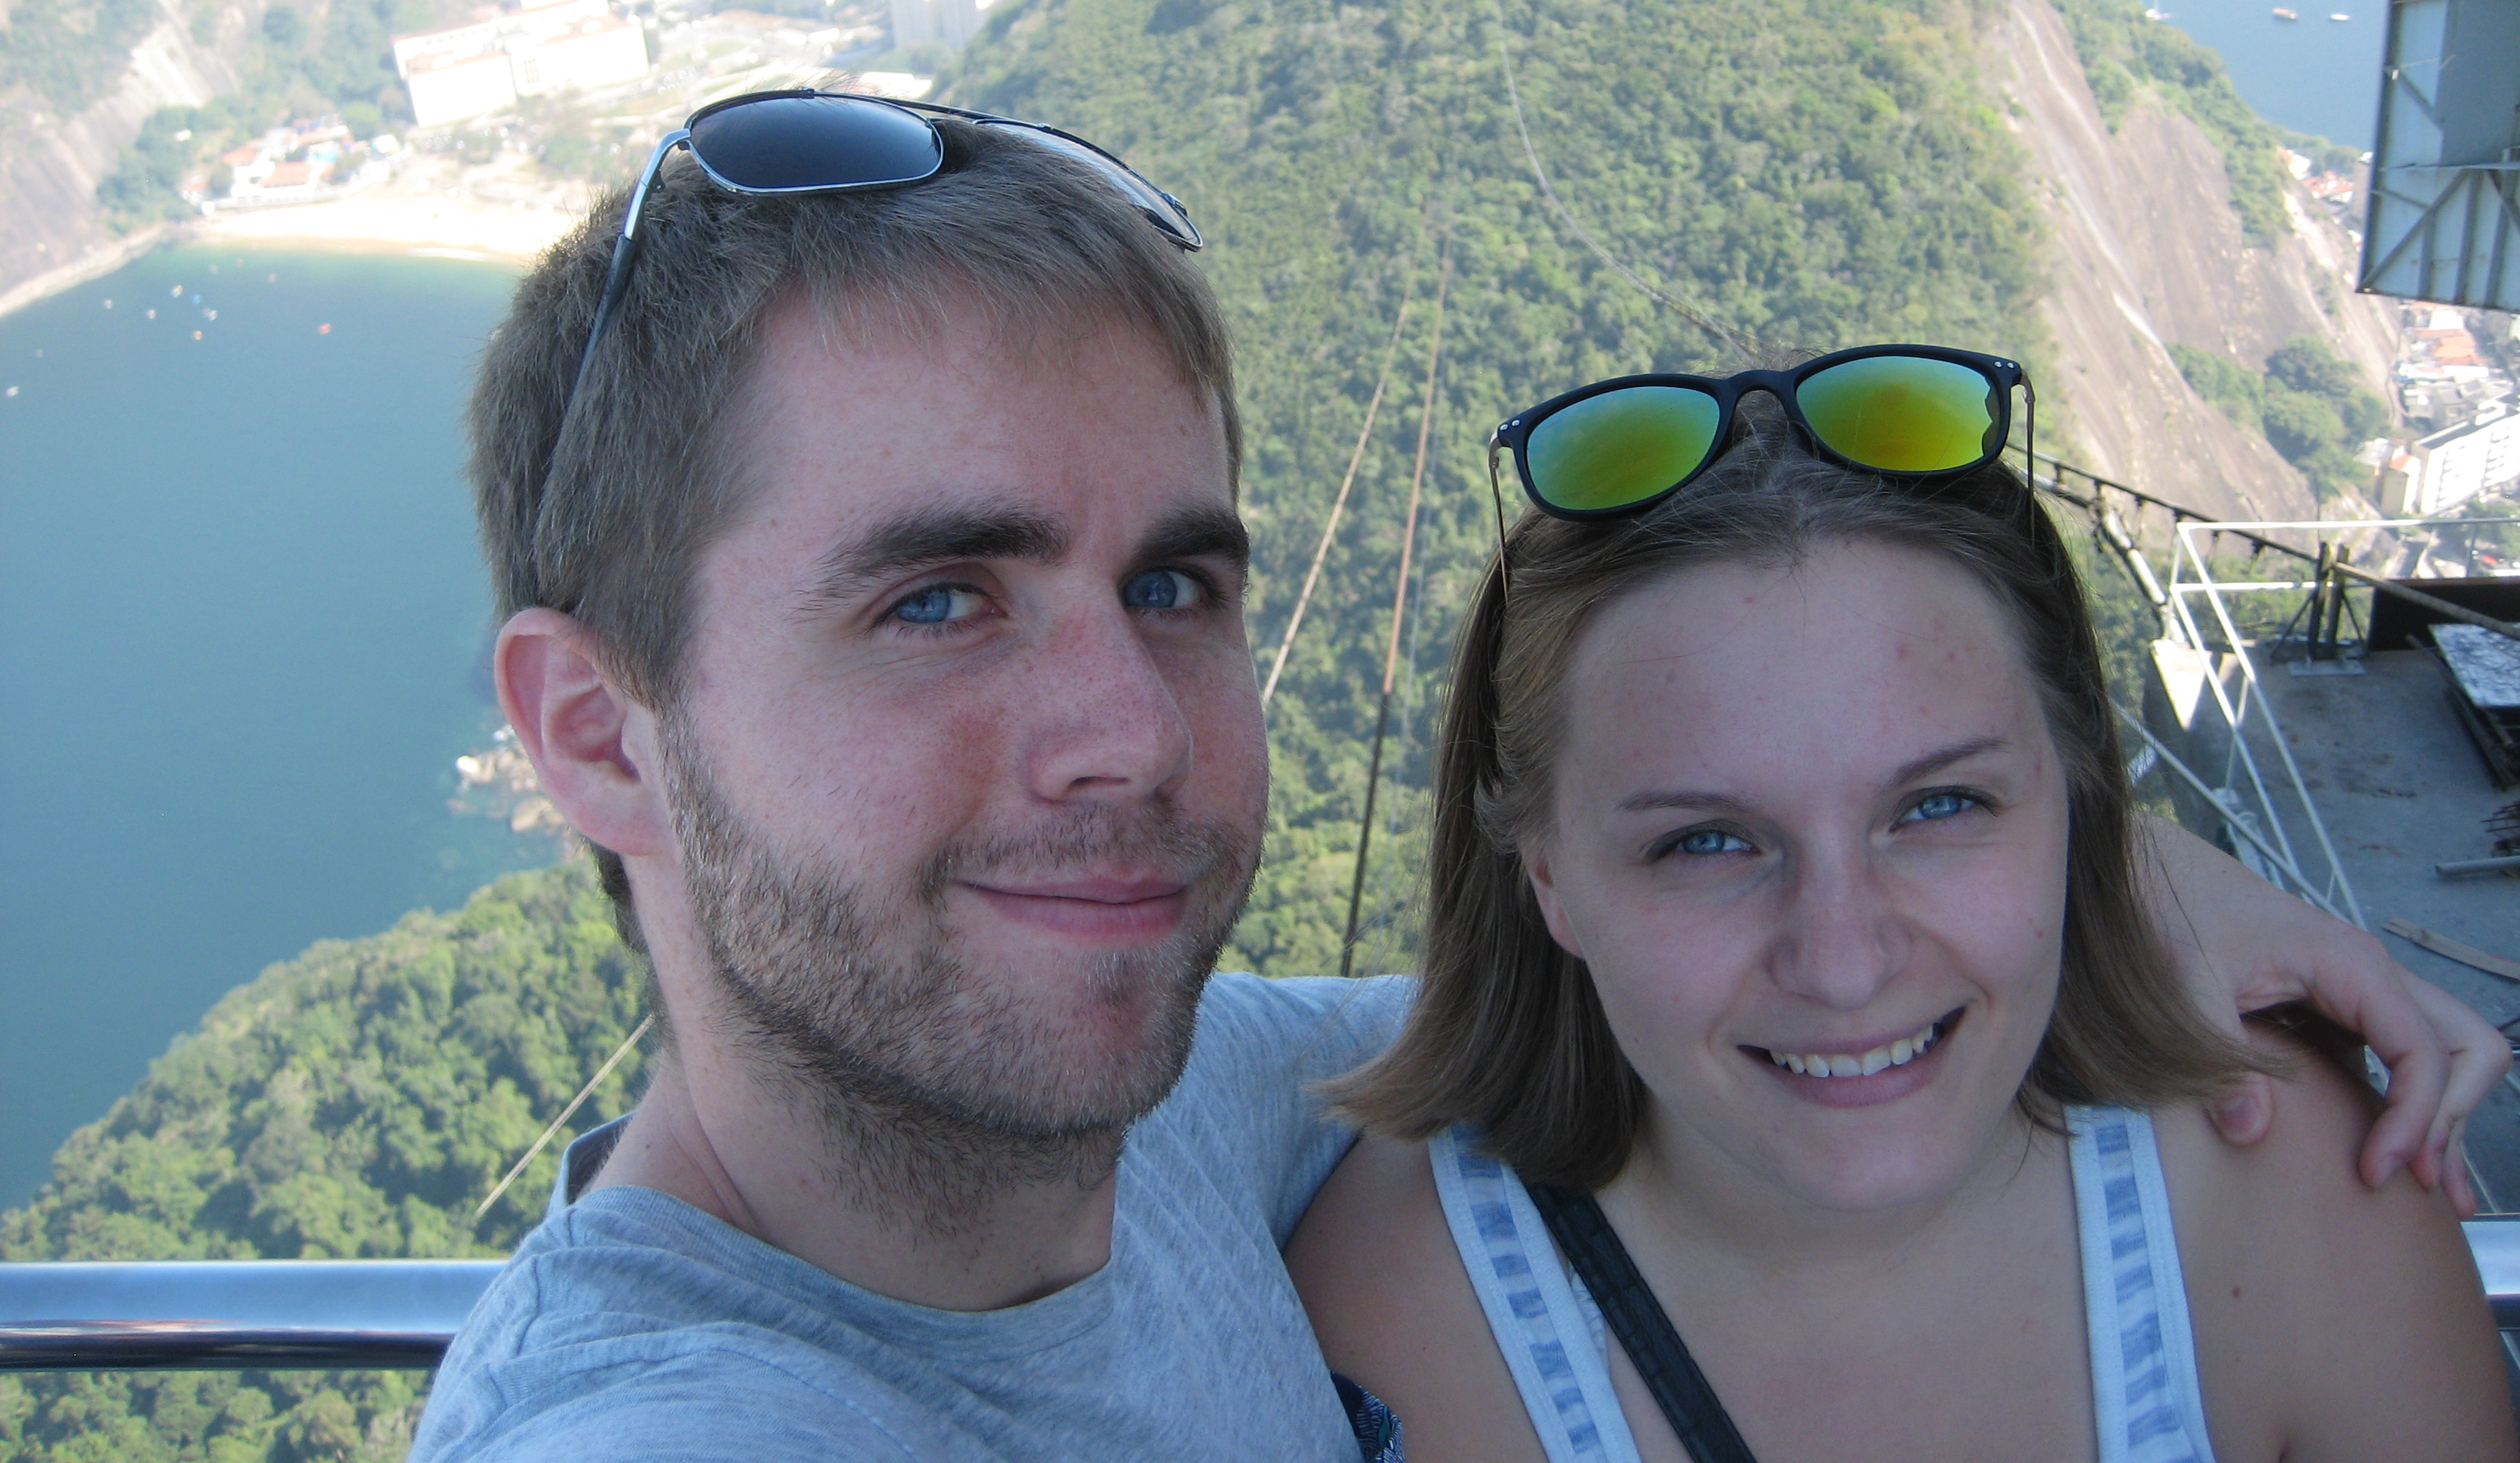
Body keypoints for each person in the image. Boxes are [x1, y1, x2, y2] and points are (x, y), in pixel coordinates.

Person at [410, 96, 2506, 1462]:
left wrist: (2098, 889)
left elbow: (1683, 975)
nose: (1133, 729)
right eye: (938, 601)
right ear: (596, 731)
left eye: (1171, 584)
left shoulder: (1190, 1108)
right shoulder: (671, 1419)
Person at [1287, 357, 2517, 1463]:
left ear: (2074, 796)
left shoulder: (2297, 1194)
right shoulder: (1404, 1331)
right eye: (1705, 841)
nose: (1844, 962)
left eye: (1938, 808)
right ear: (1548, 875)